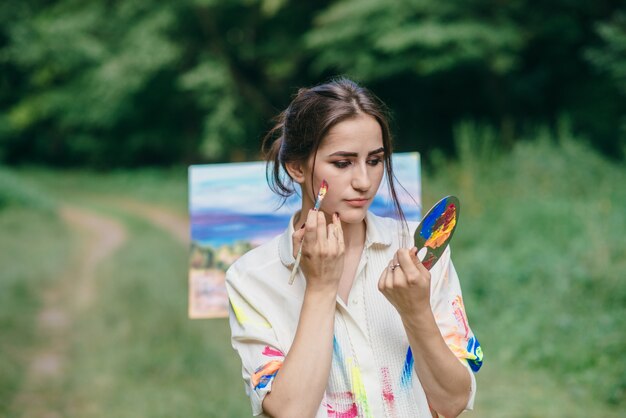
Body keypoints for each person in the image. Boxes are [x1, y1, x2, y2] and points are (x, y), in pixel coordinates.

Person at [226, 77, 483, 418]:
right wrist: (320, 288)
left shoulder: (417, 254)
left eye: (375, 161)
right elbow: (291, 412)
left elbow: (453, 402)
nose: (364, 181)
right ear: (296, 167)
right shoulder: (251, 278)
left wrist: (415, 310)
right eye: (343, 163)